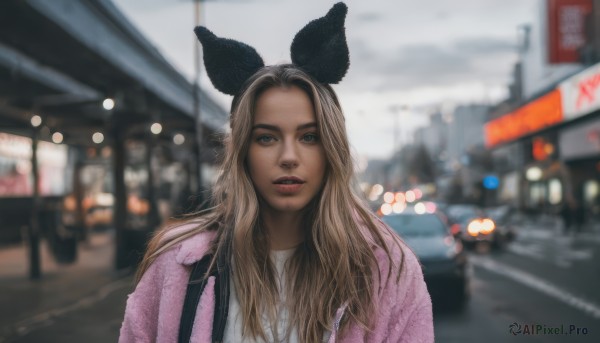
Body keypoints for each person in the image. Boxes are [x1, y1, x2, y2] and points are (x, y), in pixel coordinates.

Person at [119, 3, 433, 342]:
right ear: (242, 151)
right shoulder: (175, 266)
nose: (288, 157)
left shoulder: (386, 269)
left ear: (332, 149)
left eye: (309, 137)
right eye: (266, 137)